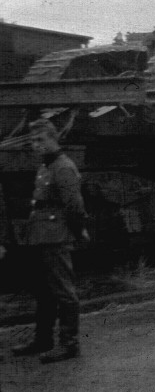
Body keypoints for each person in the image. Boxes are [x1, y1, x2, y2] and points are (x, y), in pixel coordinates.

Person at [0, 119, 89, 363]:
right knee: (43, 291)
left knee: (64, 291)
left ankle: (69, 343)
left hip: (56, 236)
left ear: (54, 138)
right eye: (33, 142)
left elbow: (75, 206)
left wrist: (78, 231)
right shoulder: (46, 166)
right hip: (40, 236)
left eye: (41, 140)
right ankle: (43, 339)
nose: (36, 145)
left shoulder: (63, 167)